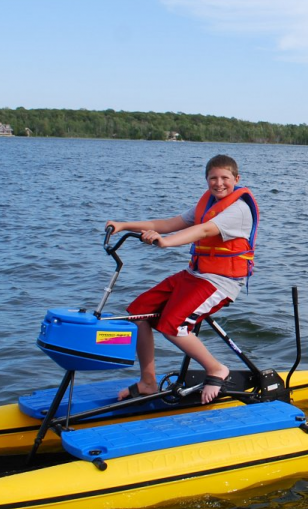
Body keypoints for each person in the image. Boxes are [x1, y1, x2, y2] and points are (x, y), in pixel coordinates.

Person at [105, 154, 259, 404]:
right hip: (195, 275)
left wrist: (165, 243)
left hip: (220, 281)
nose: (219, 183)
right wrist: (125, 225)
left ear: (237, 179)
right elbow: (170, 223)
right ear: (206, 180)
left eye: (225, 178)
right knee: (138, 314)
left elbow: (204, 230)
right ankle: (147, 382)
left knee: (173, 326)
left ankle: (216, 369)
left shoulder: (239, 210)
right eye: (213, 178)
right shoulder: (207, 203)